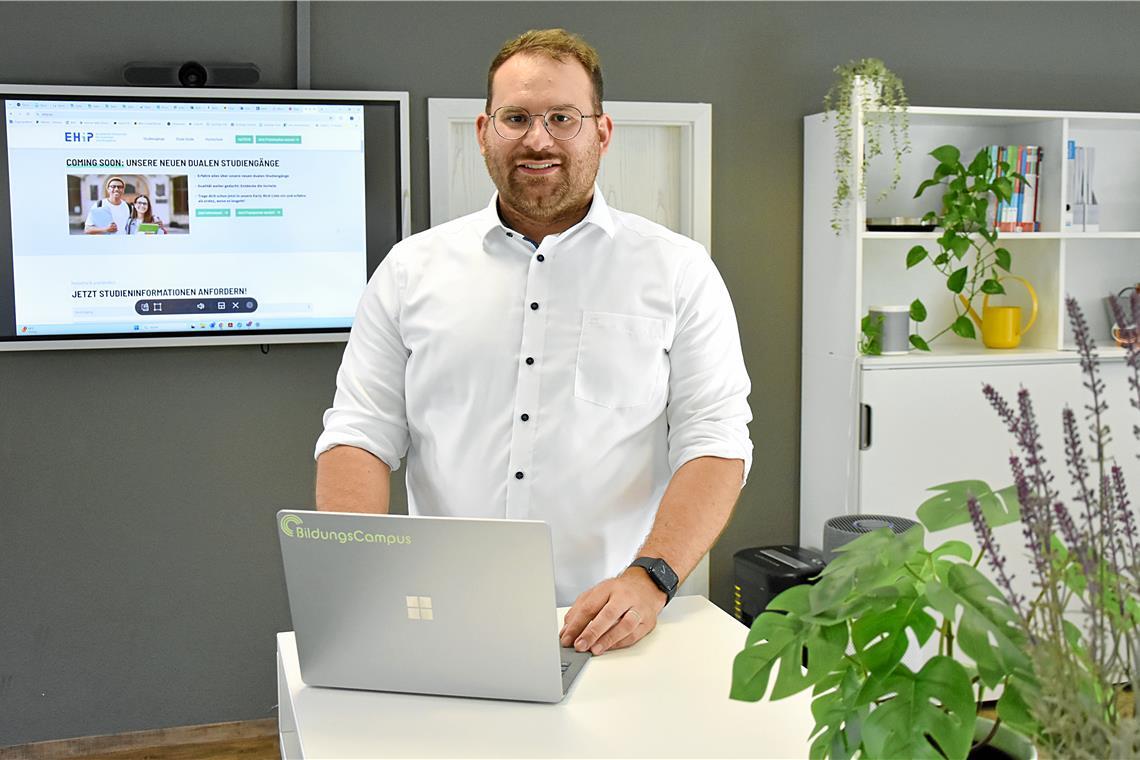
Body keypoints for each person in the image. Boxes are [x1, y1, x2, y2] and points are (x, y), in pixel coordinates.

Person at [315, 29, 752, 657]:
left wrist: (652, 577)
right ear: (484, 131)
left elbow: (715, 441)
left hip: (615, 619)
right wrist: (357, 579)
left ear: (601, 132)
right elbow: (360, 433)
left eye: (562, 118)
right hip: (440, 611)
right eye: (516, 117)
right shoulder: (411, 270)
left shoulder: (679, 271)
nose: (538, 139)